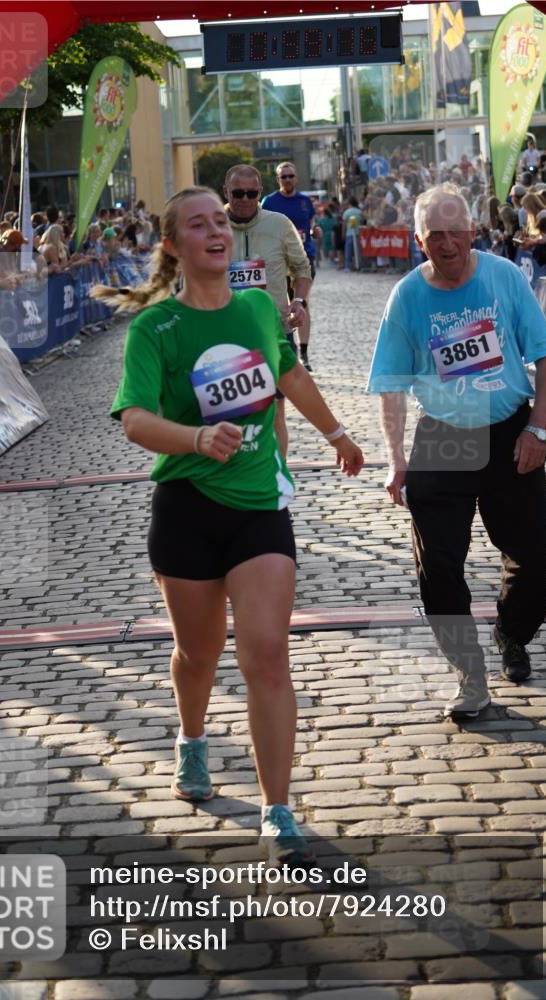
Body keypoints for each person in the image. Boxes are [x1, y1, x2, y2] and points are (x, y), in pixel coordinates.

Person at [93, 185, 364, 862]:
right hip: (185, 510)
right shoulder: (155, 329)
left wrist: (335, 433)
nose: (216, 230)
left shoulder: (255, 308)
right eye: (199, 223)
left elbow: (289, 374)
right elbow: (133, 419)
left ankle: (277, 809)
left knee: (266, 652)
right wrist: (193, 438)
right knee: (198, 655)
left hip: (257, 507)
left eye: (221, 220)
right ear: (172, 244)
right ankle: (191, 739)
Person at [367, 183, 546, 720]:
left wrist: (538, 431)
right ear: (418, 240)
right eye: (435, 236)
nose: (447, 244)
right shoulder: (407, 295)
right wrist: (396, 458)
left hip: (508, 432)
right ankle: (469, 675)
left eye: (456, 232)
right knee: (438, 568)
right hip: (444, 436)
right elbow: (391, 382)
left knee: (531, 555)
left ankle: (512, 632)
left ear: (472, 233)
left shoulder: (504, 277)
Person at [223, 163, 312, 459]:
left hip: (273, 333)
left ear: (260, 192)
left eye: (251, 193)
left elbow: (302, 269)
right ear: (227, 192)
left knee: (275, 414)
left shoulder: (279, 224)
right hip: (225, 335)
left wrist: (298, 301)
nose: (245, 199)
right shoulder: (212, 226)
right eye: (238, 193)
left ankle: (277, 479)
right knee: (231, 418)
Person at [261, 162, 320, 371]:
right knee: (279, 303)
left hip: (302, 258)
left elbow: (311, 223)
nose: (287, 180)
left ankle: (303, 353)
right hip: (277, 260)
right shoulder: (268, 202)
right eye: (283, 177)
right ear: (278, 180)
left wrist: (315, 230)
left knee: (301, 303)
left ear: (296, 178)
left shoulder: (304, 201)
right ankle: (283, 345)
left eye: (290, 176)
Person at [341, 197, 362, 273]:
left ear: (349, 204)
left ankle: (348, 266)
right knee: (358, 250)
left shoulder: (347, 212)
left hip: (349, 233)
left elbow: (344, 224)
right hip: (358, 233)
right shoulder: (359, 212)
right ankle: (359, 264)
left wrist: (343, 233)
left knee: (348, 251)